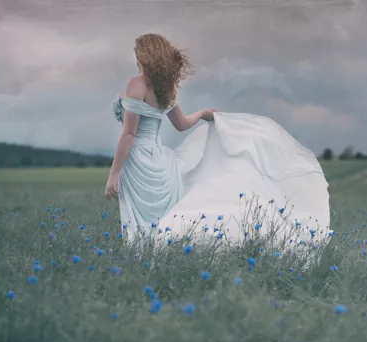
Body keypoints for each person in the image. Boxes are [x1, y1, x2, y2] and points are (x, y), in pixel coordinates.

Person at [105, 33, 331, 250]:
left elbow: (129, 134)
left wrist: (114, 173)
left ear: (145, 56)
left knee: (138, 218)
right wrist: (202, 114)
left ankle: (143, 260)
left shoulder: (137, 84)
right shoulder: (166, 89)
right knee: (158, 219)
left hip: (139, 162)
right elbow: (182, 124)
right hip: (160, 165)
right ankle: (159, 255)